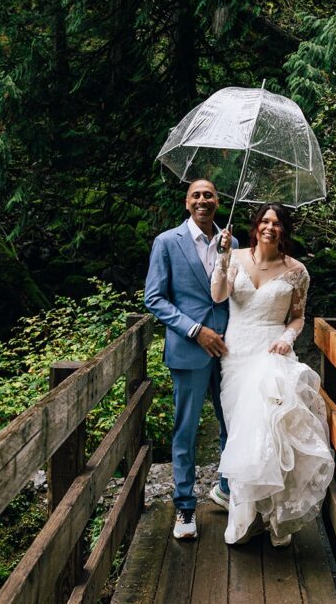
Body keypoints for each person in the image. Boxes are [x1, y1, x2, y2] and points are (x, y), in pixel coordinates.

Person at [210, 203, 334, 547]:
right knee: (241, 435)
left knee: (270, 431)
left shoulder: (297, 271)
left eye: (276, 223)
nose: (269, 227)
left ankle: (274, 516)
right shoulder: (234, 257)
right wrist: (222, 258)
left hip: (271, 352)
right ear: (255, 226)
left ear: (284, 230)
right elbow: (218, 295)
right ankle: (245, 517)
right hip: (236, 353)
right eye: (264, 221)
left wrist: (286, 338)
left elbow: (297, 317)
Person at [144, 179, 237, 540]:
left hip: (229, 352)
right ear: (187, 203)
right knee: (186, 429)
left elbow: (233, 295)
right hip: (190, 349)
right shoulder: (167, 242)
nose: (203, 200)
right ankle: (184, 506)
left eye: (209, 195)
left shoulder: (232, 242)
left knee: (233, 423)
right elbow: (154, 298)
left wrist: (228, 254)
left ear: (218, 201)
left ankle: (228, 489)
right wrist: (196, 330)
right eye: (196, 195)